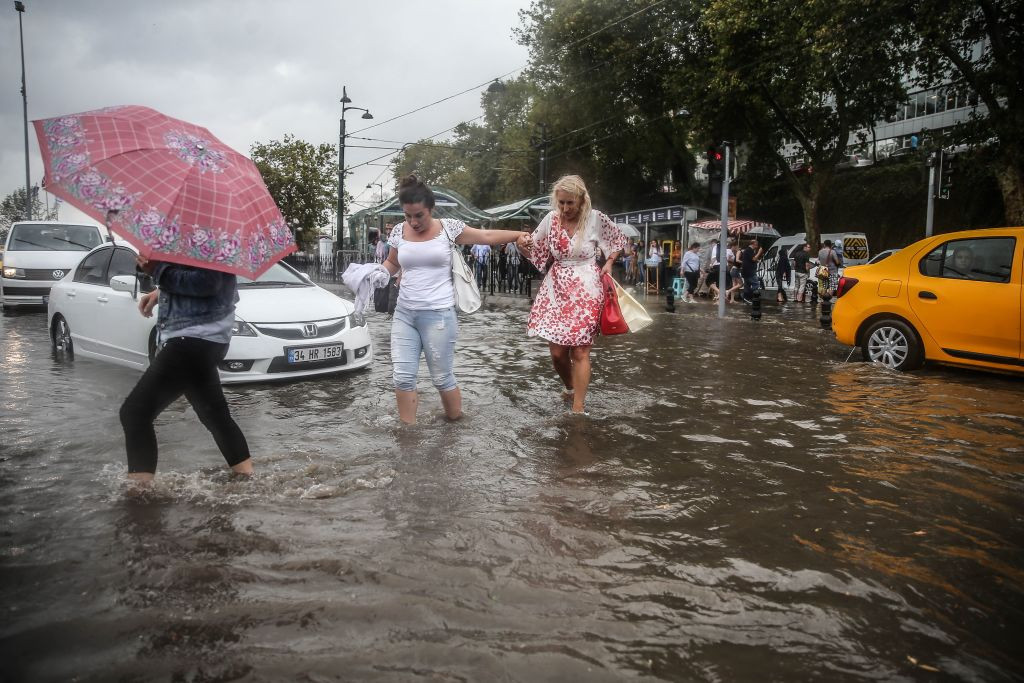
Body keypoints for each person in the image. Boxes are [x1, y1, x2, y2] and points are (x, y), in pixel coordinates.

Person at [380, 175, 530, 424]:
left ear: (431, 209)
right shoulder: (398, 231)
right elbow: (393, 262)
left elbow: (487, 236)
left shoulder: (448, 228)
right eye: (408, 216)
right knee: (403, 377)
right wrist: (375, 273)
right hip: (405, 314)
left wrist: (518, 235)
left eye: (419, 215)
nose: (413, 222)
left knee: (441, 378)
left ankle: (455, 425)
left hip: (438, 315)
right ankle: (407, 437)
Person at [121, 255, 252, 483]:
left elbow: (209, 282)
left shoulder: (206, 232)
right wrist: (159, 292)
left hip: (191, 339)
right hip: (202, 339)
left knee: (135, 414)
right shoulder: (198, 234)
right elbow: (212, 281)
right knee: (214, 416)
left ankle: (140, 501)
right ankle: (249, 483)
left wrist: (158, 270)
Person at [520, 175, 627, 414]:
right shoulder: (550, 219)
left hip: (588, 287)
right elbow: (535, 251)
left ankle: (578, 408)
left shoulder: (595, 219)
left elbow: (617, 240)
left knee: (580, 349)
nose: (565, 208)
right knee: (558, 354)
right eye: (561, 203)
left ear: (581, 200)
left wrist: (609, 261)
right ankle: (570, 387)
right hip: (556, 288)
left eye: (570, 203)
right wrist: (522, 245)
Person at [739, 237, 763, 303]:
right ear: (753, 244)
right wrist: (759, 252)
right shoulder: (749, 250)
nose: (757, 246)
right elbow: (753, 259)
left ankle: (746, 299)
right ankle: (746, 295)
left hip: (746, 271)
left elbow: (751, 260)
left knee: (747, 285)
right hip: (749, 271)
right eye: (756, 244)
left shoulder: (749, 251)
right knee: (756, 284)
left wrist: (756, 259)